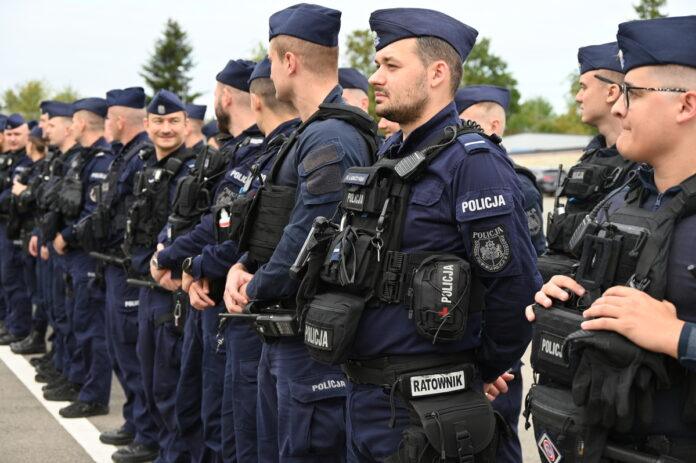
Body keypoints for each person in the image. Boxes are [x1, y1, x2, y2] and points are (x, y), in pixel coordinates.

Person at [291, 8, 539, 461]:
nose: (375, 77)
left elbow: (514, 288)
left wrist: (477, 371)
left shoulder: (472, 163)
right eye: (376, 64)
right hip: (367, 400)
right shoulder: (390, 154)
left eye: (391, 65)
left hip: (427, 412)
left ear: (437, 73)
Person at [528, 15, 696, 461]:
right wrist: (564, 301)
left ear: (685, 104)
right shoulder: (618, 202)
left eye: (633, 93)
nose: (619, 109)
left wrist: (677, 336)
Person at [224, 4, 376, 462]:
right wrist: (243, 264)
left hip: (310, 339)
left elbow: (311, 233)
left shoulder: (332, 137)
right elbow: (278, 219)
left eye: (272, 60)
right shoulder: (311, 132)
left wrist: (255, 285)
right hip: (287, 331)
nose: (269, 72)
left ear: (288, 61)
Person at [153, 59, 263, 462]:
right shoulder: (230, 151)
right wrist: (184, 261)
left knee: (220, 419)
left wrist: (183, 263)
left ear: (226, 96)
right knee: (196, 404)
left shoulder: (256, 153)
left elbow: (231, 234)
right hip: (208, 292)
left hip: (227, 302)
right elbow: (208, 222)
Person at [124, 89, 196, 463]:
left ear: (187, 124)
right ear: (147, 125)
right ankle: (155, 444)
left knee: (170, 381)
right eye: (158, 121)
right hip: (148, 285)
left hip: (174, 290)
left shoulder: (195, 169)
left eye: (173, 121)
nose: (166, 128)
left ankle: (173, 454)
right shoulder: (146, 167)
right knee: (149, 374)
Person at [90, 87, 159, 463]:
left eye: (107, 118)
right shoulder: (125, 155)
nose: (105, 124)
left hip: (129, 268)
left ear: (118, 120)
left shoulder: (141, 157)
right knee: (121, 351)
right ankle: (135, 422)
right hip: (116, 266)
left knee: (134, 357)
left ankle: (146, 434)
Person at [541, 42, 633, 279]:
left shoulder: (641, 165)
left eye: (583, 87)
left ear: (611, 92)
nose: (577, 97)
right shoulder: (591, 157)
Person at [52, 98, 114, 418]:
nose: (70, 125)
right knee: (79, 321)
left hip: (88, 254)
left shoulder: (102, 160)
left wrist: (67, 235)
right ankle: (78, 380)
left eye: (73, 120)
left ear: (82, 123)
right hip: (77, 256)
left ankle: (94, 395)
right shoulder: (84, 157)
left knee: (92, 328)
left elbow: (95, 212)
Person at [9, 125, 49, 356]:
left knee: (41, 294)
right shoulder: (35, 167)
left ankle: (36, 336)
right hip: (29, 233)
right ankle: (34, 335)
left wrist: (23, 192)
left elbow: (33, 200)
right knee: (34, 291)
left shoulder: (42, 167)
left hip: (38, 232)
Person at [0, 114, 33, 346]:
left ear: (27, 135)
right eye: (9, 134)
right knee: (6, 277)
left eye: (17, 134)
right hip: (6, 225)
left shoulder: (27, 161)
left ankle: (19, 327)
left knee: (14, 279)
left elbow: (10, 196)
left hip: (17, 227)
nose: (12, 138)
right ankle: (9, 321)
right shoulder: (10, 159)